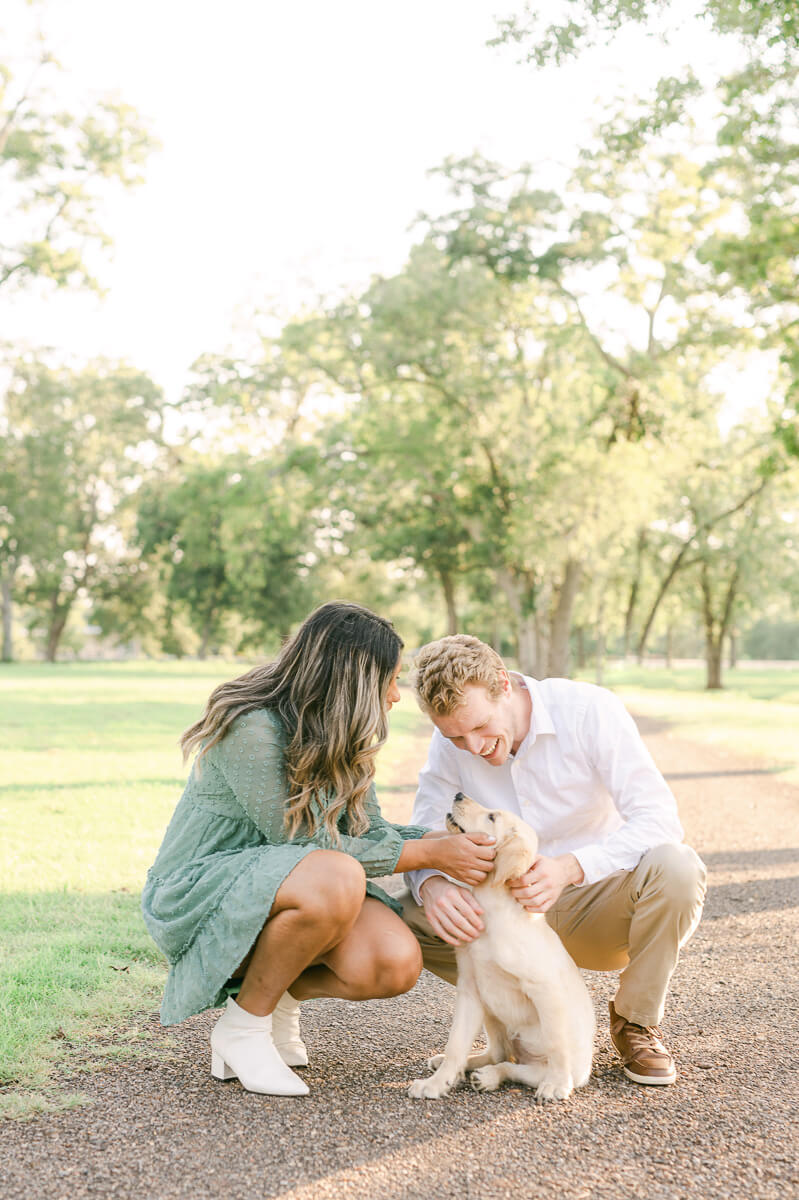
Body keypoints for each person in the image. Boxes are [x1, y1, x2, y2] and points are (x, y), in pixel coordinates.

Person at [142, 603, 496, 1097]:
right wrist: (430, 857)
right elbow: (306, 845)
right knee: (338, 877)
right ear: (351, 680)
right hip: (198, 892)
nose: (396, 696)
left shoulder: (344, 736)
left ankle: (276, 994)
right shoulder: (251, 728)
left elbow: (368, 831)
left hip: (287, 885)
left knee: (392, 962)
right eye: (389, 681)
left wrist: (436, 840)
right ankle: (242, 1029)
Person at [401, 634, 707, 1087]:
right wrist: (433, 885)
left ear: (504, 684)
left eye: (481, 726)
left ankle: (634, 1021)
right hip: (500, 920)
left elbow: (658, 818)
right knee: (400, 917)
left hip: (590, 905)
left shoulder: (588, 710)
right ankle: (508, 1030)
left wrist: (570, 868)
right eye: (456, 736)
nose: (474, 745)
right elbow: (422, 828)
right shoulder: (453, 739)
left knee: (678, 869)